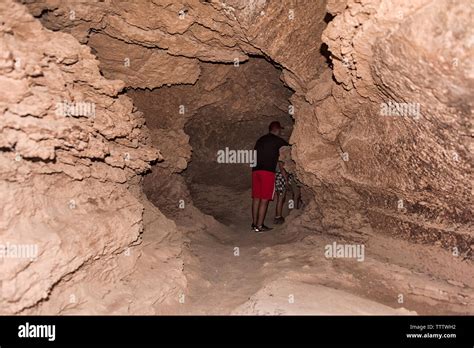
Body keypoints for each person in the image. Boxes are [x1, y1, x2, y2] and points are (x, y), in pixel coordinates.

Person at [251, 121, 289, 233]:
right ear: (277, 130)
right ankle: (260, 225)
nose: (281, 132)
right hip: (267, 172)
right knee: (265, 199)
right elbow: (290, 147)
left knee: (256, 198)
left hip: (255, 171)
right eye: (280, 130)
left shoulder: (260, 139)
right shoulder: (278, 141)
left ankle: (254, 225)